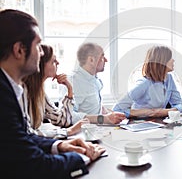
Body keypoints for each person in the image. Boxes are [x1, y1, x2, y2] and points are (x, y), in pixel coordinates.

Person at [0, 9, 105, 178]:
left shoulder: (10, 88)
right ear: (19, 50)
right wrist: (82, 156)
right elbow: (33, 164)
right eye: (38, 46)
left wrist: (58, 146)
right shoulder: (4, 95)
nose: (41, 53)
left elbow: (21, 138)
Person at [21, 44, 89, 139]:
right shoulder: (22, 91)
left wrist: (70, 90)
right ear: (40, 65)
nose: (58, 63)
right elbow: (27, 134)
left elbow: (62, 120)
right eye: (53, 61)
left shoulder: (40, 93)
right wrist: (69, 131)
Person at [113, 45, 182, 118]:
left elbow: (180, 105)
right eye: (170, 58)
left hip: (158, 122)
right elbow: (117, 109)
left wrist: (164, 112)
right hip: (141, 123)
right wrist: (145, 112)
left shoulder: (169, 79)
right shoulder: (144, 84)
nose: (173, 60)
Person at [71, 42, 126, 124]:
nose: (106, 60)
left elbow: (91, 107)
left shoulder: (95, 81)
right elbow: (69, 116)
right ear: (91, 60)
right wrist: (103, 119)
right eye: (102, 56)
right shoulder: (74, 82)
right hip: (84, 132)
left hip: (98, 129)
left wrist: (109, 114)